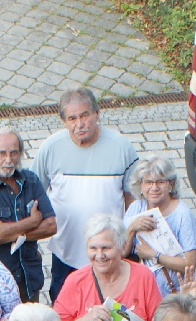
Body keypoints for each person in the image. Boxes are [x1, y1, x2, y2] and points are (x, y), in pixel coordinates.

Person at [34, 88, 140, 303]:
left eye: (84, 115)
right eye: (72, 118)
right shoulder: (50, 148)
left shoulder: (121, 147)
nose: (79, 124)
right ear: (63, 121)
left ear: (97, 114)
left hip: (109, 251)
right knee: (65, 308)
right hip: (67, 251)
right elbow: (35, 193)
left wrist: (129, 238)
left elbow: (133, 198)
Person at [52, 215, 160, 321]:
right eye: (93, 248)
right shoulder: (76, 281)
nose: (99, 255)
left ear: (122, 246)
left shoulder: (143, 276)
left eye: (106, 248)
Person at [0, 126, 57, 302]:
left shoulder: (31, 180)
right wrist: (31, 222)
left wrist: (11, 233)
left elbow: (51, 226)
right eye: (1, 153)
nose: (8, 160)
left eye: (14, 153)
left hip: (28, 278)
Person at [123, 155, 196, 295]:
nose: (154, 188)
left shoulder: (182, 215)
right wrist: (132, 228)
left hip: (169, 294)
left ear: (170, 184)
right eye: (148, 182)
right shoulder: (136, 208)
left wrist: (154, 255)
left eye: (160, 182)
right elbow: (121, 252)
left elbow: (189, 266)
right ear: (140, 185)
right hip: (138, 291)